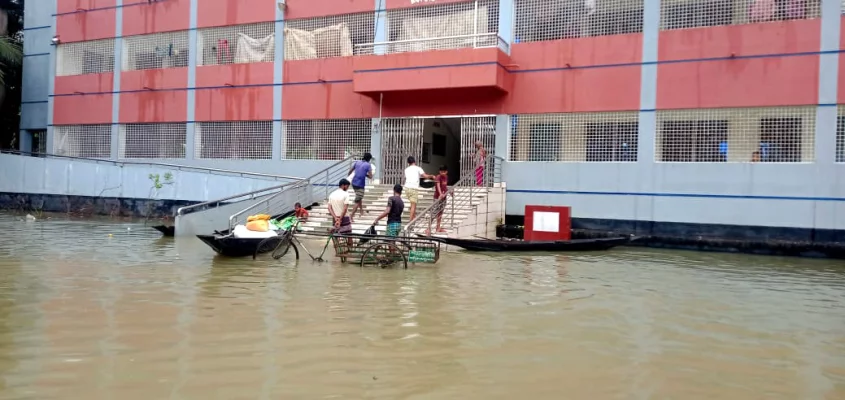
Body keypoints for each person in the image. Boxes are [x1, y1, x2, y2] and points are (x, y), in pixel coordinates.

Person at [403, 156, 435, 222]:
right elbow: (425, 176)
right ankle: (410, 222)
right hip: (413, 188)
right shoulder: (418, 168)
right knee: (413, 205)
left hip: (406, 188)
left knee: (413, 204)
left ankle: (413, 219)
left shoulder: (406, 169)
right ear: (414, 161)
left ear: (408, 163)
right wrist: (431, 176)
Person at [347, 153, 373, 222]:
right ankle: (351, 216)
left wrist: (349, 177)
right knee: (357, 200)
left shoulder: (357, 162)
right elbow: (370, 176)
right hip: (360, 184)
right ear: (369, 159)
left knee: (359, 197)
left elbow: (350, 171)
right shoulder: (368, 165)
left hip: (354, 183)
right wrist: (366, 175)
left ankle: (361, 211)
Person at [431, 165, 451, 234]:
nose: (442, 173)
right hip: (437, 197)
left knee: (440, 213)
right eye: (441, 172)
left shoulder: (446, 177)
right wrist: (440, 194)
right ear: (439, 172)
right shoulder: (438, 177)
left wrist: (450, 191)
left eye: (444, 172)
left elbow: (445, 186)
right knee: (434, 212)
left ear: (446, 172)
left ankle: (438, 228)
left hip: (444, 197)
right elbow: (438, 186)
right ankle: (428, 228)